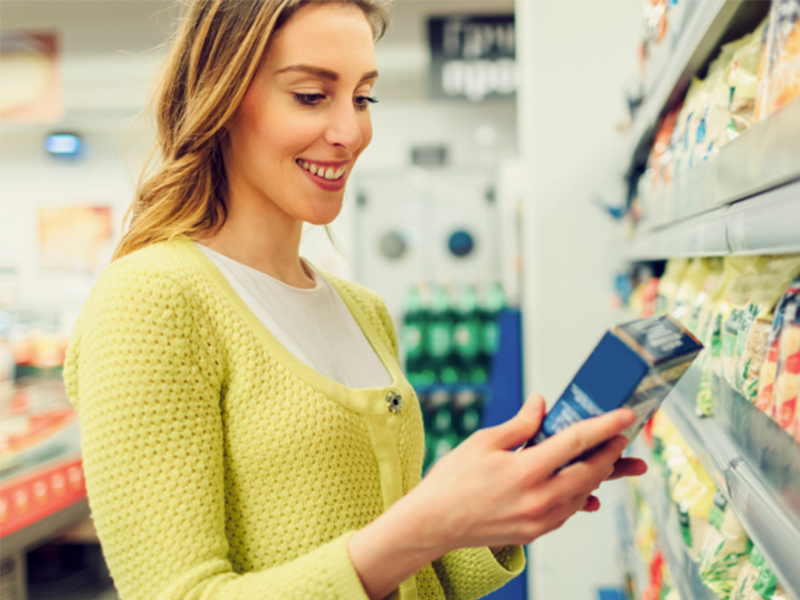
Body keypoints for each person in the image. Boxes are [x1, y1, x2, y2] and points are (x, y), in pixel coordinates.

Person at [63, 1, 647, 599]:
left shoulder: (361, 309)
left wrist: (504, 510)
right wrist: (425, 523)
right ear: (222, 97)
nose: (351, 133)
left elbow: (412, 576)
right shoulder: (152, 301)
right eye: (313, 96)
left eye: (363, 98)